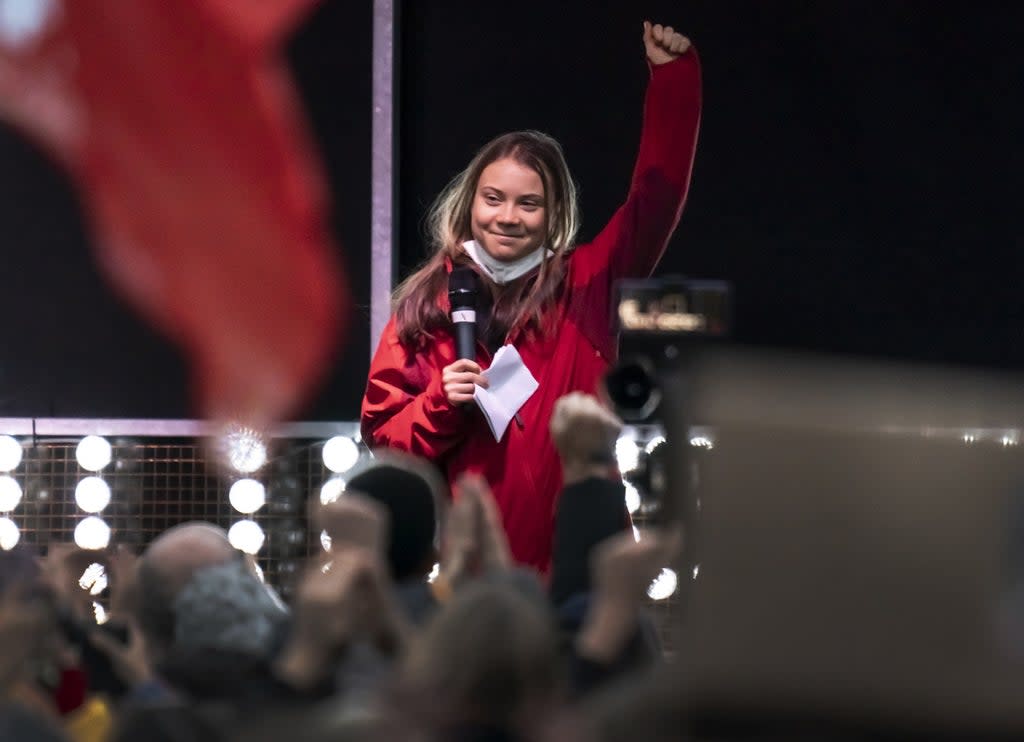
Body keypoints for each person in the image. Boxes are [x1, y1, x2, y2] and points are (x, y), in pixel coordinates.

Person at [361, 21, 701, 572]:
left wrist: (674, 83)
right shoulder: (426, 307)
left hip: (581, 571)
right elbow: (383, 447)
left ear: (554, 215)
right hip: (471, 577)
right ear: (470, 201)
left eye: (529, 204)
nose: (507, 218)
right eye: (494, 198)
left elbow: (656, 199)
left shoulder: (588, 284)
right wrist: (439, 403)